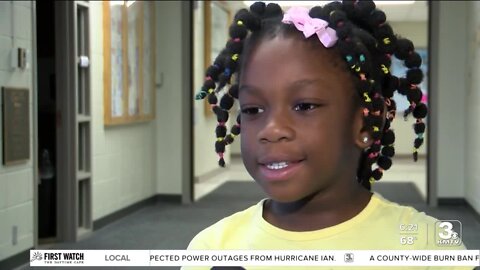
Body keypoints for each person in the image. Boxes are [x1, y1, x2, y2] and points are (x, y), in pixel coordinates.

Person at [187, 1, 471, 269]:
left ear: (364, 125)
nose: (271, 130)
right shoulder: (212, 249)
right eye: (252, 109)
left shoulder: (429, 250)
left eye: (305, 105)